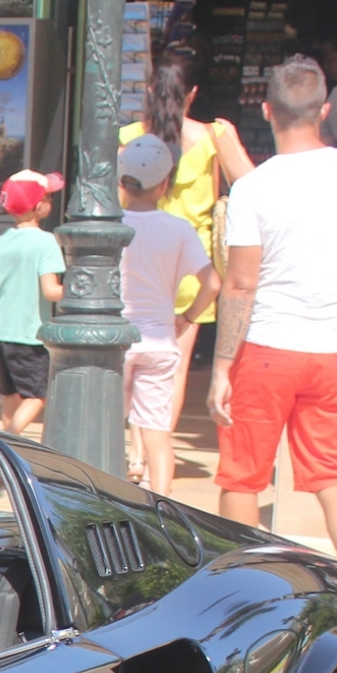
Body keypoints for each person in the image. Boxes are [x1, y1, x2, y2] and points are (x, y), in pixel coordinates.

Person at [205, 56, 337, 564]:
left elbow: (241, 284)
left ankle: (250, 580)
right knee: (334, 475)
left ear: (266, 110)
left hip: (266, 348)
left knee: (243, 478)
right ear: (325, 108)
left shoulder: (255, 187)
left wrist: (221, 367)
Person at [121, 54, 256, 438]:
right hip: (193, 267)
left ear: (149, 90)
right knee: (172, 368)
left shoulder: (127, 138)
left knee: (127, 361)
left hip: (137, 261)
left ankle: (133, 452)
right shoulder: (215, 136)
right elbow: (253, 187)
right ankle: (155, 451)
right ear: (193, 93)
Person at [119, 135, 219, 497]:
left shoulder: (110, 224)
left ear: (121, 181)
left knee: (107, 430)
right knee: (158, 437)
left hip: (115, 340)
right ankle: (159, 509)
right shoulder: (179, 230)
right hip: (160, 339)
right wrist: (187, 318)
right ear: (165, 184)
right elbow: (212, 282)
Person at [0, 171, 67, 434]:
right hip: (28, 334)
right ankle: (8, 437)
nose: (50, 201)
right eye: (49, 196)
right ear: (37, 205)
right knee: (36, 395)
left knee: (11, 395)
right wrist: (78, 293)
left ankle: (3, 458)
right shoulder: (46, 241)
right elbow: (51, 290)